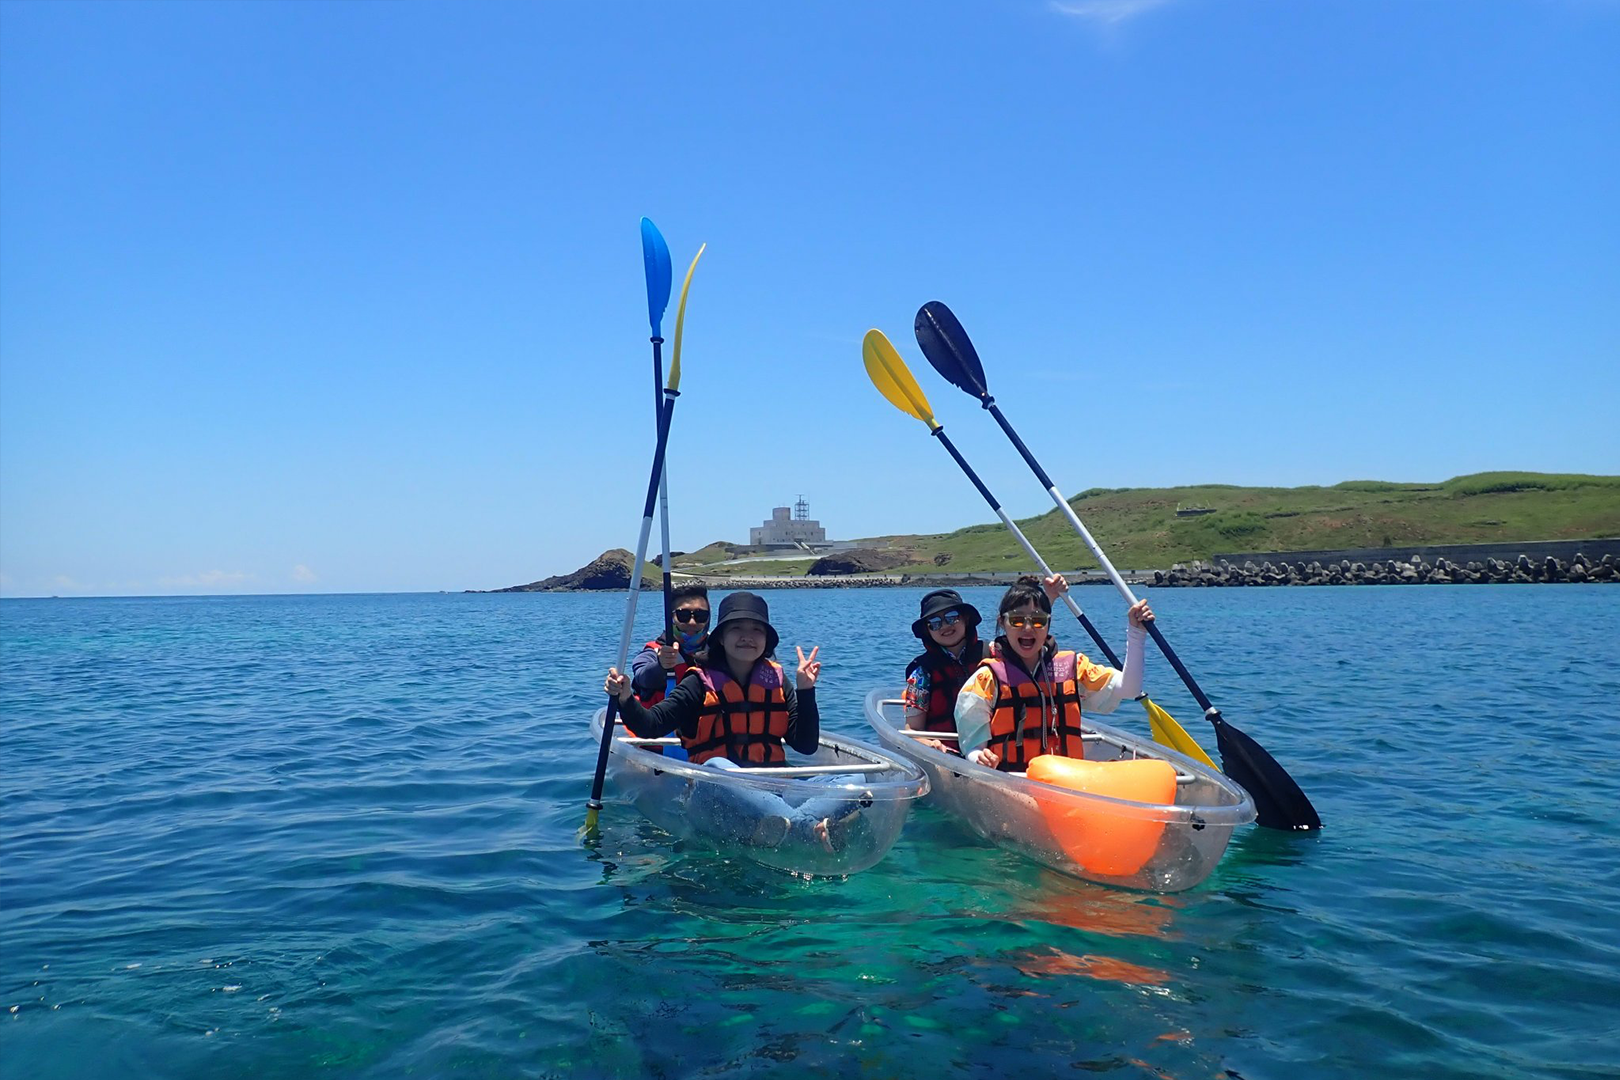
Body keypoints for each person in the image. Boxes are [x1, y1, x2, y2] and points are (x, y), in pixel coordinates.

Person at [605, 591, 866, 851]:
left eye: (756, 630)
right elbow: (648, 726)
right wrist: (626, 698)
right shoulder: (698, 683)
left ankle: (784, 827)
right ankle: (808, 828)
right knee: (717, 766)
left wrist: (806, 691)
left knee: (856, 782)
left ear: (766, 640)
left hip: (774, 789)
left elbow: (806, 745)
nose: (747, 637)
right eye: (737, 628)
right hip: (714, 797)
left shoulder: (778, 681)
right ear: (721, 638)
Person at [954, 575, 1155, 772]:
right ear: (1002, 622)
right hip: (1013, 780)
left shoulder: (1075, 668)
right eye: (1016, 620)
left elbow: (1130, 689)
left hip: (1066, 782)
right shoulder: (986, 679)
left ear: (1048, 623)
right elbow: (972, 745)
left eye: (1038, 620)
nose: (1027, 628)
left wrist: (1136, 632)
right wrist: (978, 757)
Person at [902, 580, 1067, 754]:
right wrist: (929, 745)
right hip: (947, 755)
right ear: (928, 630)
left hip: (995, 752)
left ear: (965, 618)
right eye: (934, 622)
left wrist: (1050, 597)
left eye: (952, 617)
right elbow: (912, 730)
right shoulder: (921, 673)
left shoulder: (994, 652)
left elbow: (1030, 641)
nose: (944, 626)